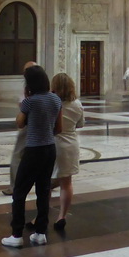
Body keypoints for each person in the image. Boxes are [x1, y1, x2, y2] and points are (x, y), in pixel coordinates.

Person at [2, 65, 63, 248]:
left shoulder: (31, 101)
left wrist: (26, 107)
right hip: (50, 148)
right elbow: (59, 128)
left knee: (19, 192)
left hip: (33, 150)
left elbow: (20, 123)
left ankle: (16, 234)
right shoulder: (55, 99)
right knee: (43, 191)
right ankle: (40, 233)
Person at [51, 72, 84, 231]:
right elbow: (81, 124)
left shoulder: (52, 103)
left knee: (45, 183)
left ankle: (40, 216)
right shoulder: (77, 104)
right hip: (70, 144)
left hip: (54, 143)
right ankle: (62, 216)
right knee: (66, 183)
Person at [3, 60, 36, 196]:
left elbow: (22, 116)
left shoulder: (30, 90)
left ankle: (15, 186)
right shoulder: (43, 89)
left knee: (18, 155)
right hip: (40, 128)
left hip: (29, 126)